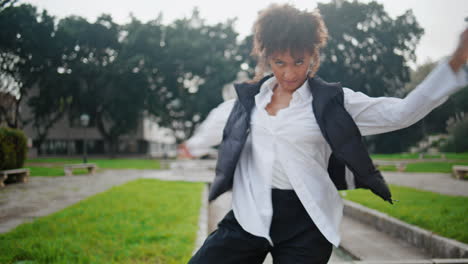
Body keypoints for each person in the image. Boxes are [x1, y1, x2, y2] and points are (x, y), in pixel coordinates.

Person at [180, 4, 468, 264]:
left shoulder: (333, 102)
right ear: (268, 59)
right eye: (280, 63)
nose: (290, 73)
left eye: (298, 62)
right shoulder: (247, 103)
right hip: (249, 214)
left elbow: (400, 113)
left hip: (306, 223)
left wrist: (452, 65)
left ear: (312, 57)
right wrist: (192, 146)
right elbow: (216, 122)